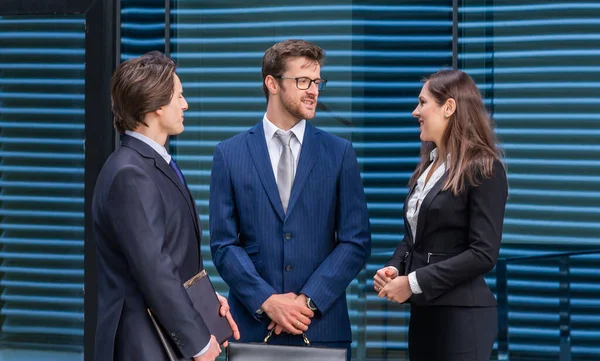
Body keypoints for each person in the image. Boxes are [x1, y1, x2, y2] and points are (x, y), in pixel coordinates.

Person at [209, 39, 371, 360]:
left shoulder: (339, 154)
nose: (313, 90)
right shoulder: (229, 154)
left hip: (322, 329)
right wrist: (267, 300)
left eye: (317, 82)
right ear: (272, 83)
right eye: (303, 81)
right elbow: (224, 245)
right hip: (254, 331)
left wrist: (306, 302)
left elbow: (356, 242)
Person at [92, 51, 239, 361]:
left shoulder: (150, 163)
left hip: (160, 337)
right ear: (157, 105)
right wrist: (198, 340)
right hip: (143, 346)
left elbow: (174, 258)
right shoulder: (130, 173)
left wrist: (206, 303)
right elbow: (154, 270)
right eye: (178, 96)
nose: (185, 105)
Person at [374, 69, 508, 361]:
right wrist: (395, 267)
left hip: (462, 317)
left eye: (422, 103)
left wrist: (411, 283)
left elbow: (483, 253)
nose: (415, 112)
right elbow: (414, 238)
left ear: (449, 107)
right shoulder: (429, 167)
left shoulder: (484, 168)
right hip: (425, 313)